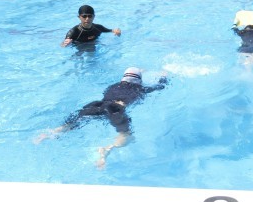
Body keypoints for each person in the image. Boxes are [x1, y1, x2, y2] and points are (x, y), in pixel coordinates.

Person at [35, 68, 168, 168]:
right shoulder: (140, 89)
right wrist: (163, 76)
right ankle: (107, 149)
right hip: (115, 109)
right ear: (139, 81)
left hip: (97, 105)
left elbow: (128, 80)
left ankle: (52, 133)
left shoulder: (113, 86)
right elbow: (161, 86)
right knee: (126, 135)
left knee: (73, 123)